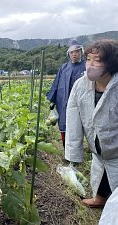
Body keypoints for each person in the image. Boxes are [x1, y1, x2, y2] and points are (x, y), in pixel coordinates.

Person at [65, 39, 118, 208]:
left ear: (111, 64)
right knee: (101, 174)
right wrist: (73, 153)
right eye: (88, 59)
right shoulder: (80, 86)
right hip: (97, 148)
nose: (90, 64)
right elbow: (73, 117)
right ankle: (100, 199)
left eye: (97, 60)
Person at [46, 39, 86, 147]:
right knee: (64, 124)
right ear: (68, 54)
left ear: (81, 52)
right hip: (63, 101)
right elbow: (56, 84)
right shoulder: (64, 67)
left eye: (77, 52)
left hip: (81, 102)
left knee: (81, 124)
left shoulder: (86, 66)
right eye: (72, 52)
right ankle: (66, 149)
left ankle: (81, 149)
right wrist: (52, 100)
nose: (74, 54)